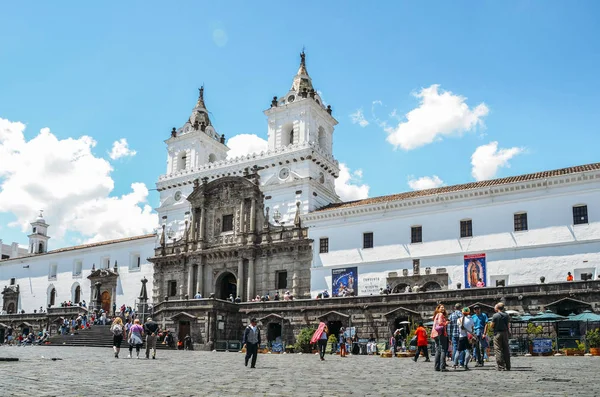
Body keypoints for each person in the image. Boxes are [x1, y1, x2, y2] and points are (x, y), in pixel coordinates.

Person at [490, 302, 511, 371]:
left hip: (497, 333)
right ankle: (508, 366)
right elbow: (508, 325)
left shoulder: (495, 316)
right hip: (505, 333)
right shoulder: (507, 315)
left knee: (498, 349)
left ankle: (501, 366)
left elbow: (491, 325)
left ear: (497, 308)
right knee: (506, 349)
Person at [431, 303, 448, 371]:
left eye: (443, 307)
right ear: (438, 309)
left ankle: (436, 366)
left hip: (435, 334)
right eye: (441, 307)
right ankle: (442, 367)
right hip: (440, 333)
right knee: (443, 349)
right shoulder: (440, 314)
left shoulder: (436, 315)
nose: (443, 309)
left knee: (438, 350)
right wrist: (446, 323)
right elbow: (441, 323)